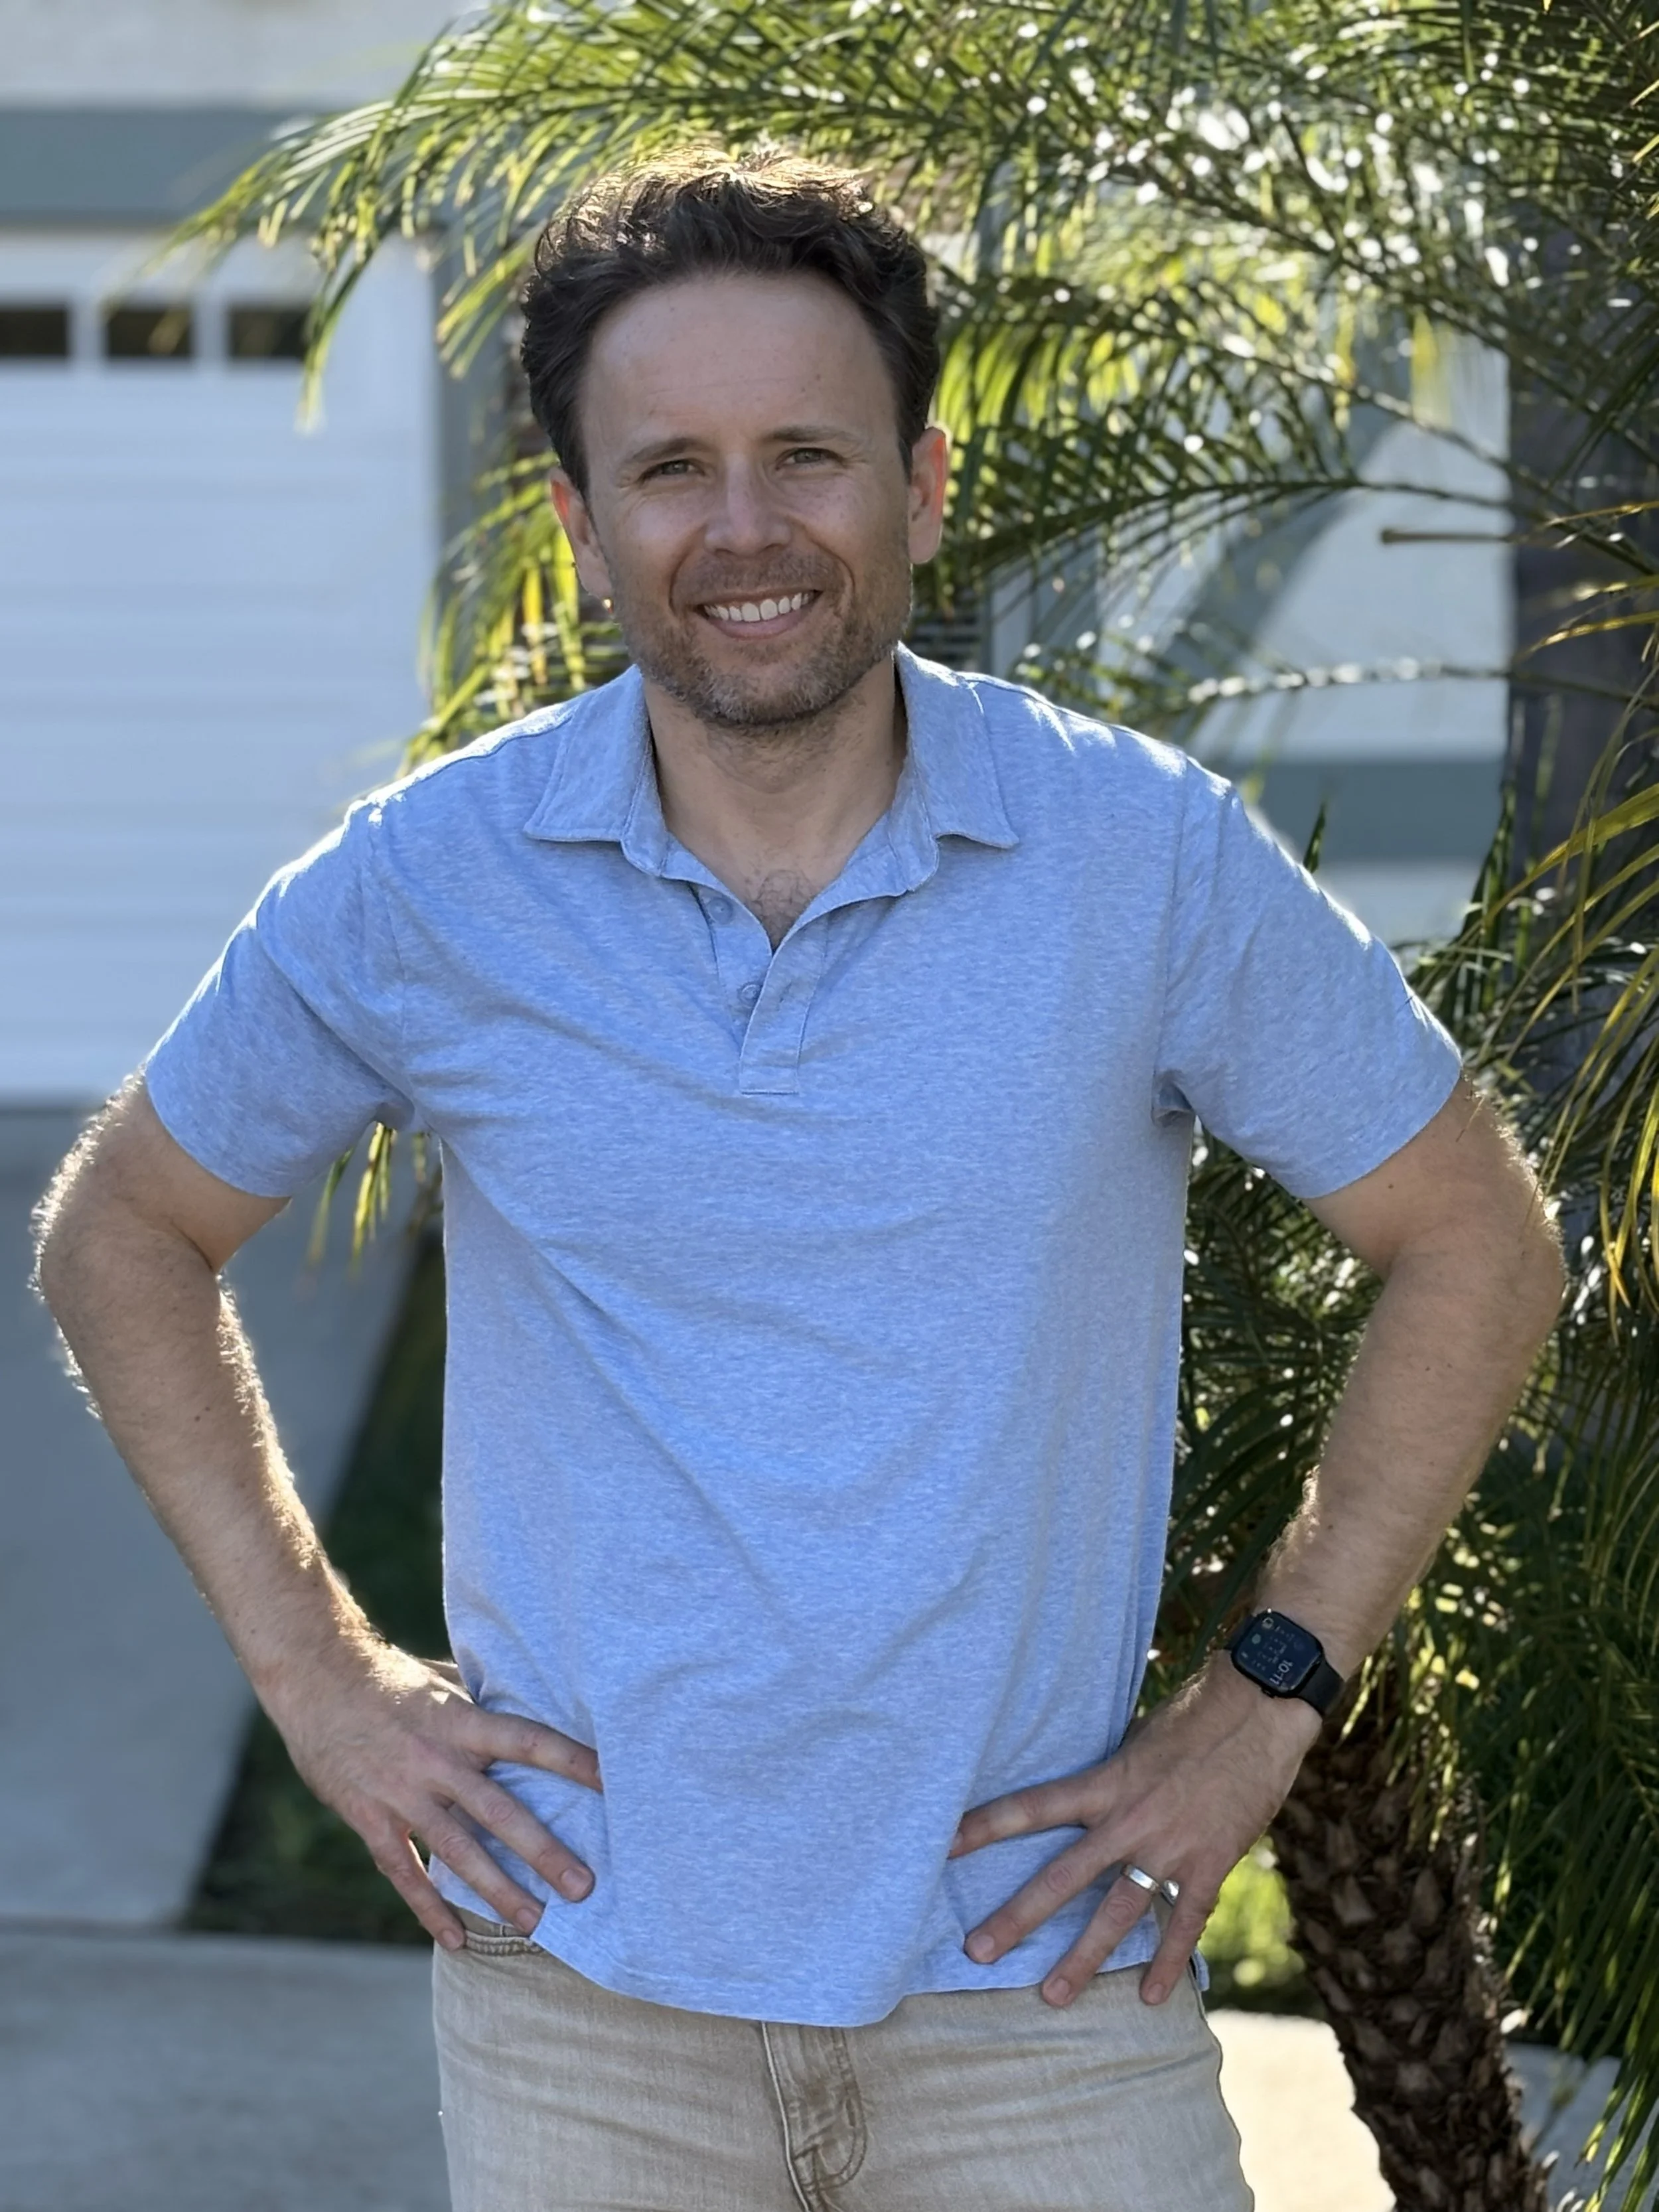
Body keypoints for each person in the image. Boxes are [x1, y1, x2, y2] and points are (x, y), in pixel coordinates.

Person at [35, 150, 1563, 2212]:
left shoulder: (1138, 858)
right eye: (668, 467)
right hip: (582, 2003)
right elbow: (122, 1228)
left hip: (1042, 1993)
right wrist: (321, 1678)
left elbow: (1473, 1237)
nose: (743, 529)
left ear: (919, 486)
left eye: (807, 455)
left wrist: (1262, 1696)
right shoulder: (432, 882)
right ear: (579, 525)